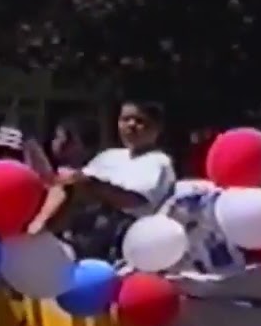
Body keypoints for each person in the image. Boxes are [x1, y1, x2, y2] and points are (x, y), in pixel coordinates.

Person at [27, 100, 176, 261]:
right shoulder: (108, 156)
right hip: (86, 230)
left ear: (156, 128)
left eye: (140, 121)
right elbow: (73, 184)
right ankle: (39, 230)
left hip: (128, 237)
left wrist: (91, 185)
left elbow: (134, 200)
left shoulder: (159, 162)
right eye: (125, 119)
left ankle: (40, 231)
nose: (131, 125)